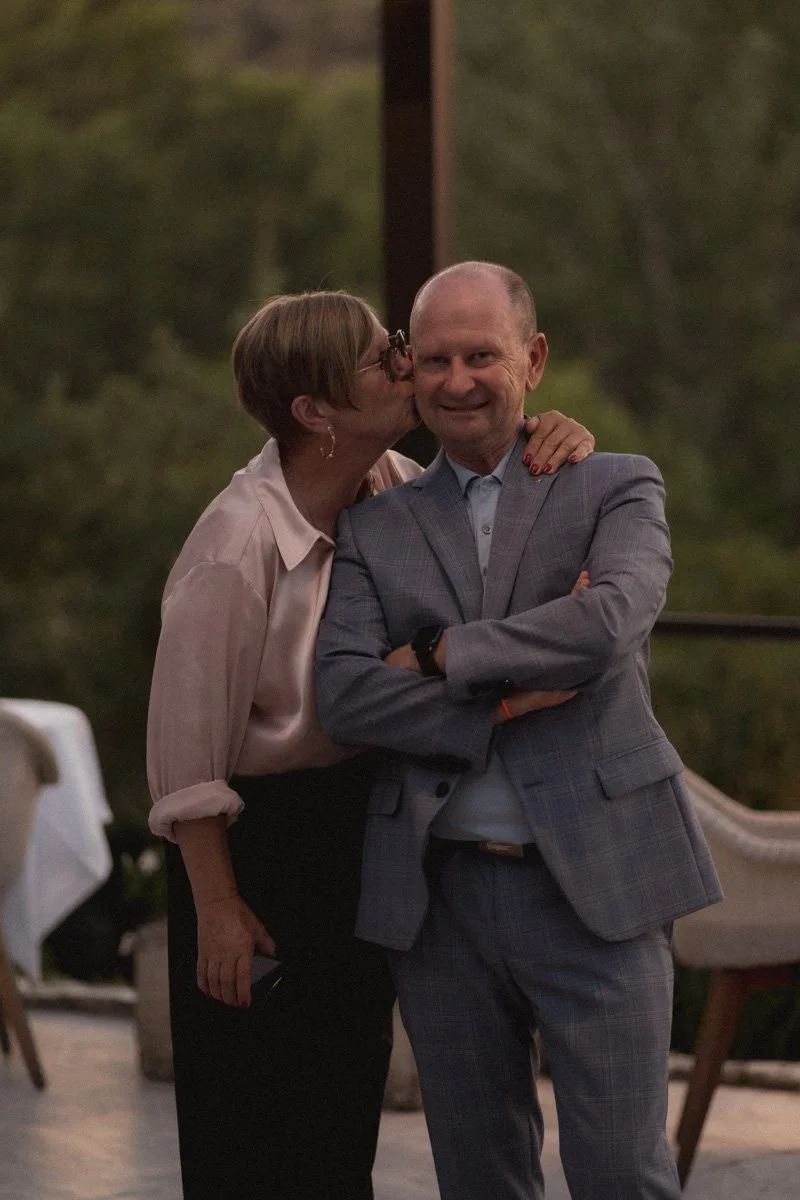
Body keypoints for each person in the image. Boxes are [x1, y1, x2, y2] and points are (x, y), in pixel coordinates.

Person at [146, 287, 596, 1200]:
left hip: (362, 829)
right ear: (316, 411)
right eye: (383, 358)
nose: (407, 365)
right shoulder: (233, 547)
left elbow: (491, 474)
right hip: (253, 851)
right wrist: (218, 908)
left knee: (338, 1120)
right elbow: (184, 756)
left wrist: (557, 434)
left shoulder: (390, 483)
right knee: (249, 1129)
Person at [315, 262, 723, 1200]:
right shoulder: (373, 526)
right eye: (436, 359)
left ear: (532, 359)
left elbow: (606, 626)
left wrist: (436, 653)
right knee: (477, 1179)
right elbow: (344, 697)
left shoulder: (616, 486)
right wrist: (503, 698)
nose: (457, 380)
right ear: (411, 369)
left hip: (600, 882)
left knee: (622, 1175)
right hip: (439, 900)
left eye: (482, 356)